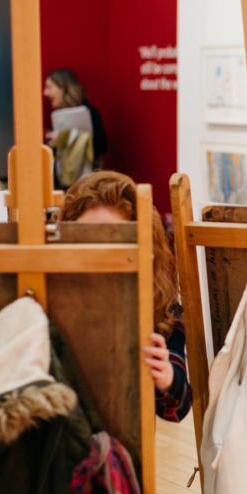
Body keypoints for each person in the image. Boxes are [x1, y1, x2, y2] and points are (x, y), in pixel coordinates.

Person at [60, 171, 192, 422]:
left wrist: (165, 377)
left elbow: (178, 407)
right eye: (87, 239)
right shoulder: (47, 291)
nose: (98, 254)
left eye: (113, 241)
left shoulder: (160, 305)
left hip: (120, 446)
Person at [43, 68, 107, 185]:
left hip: (86, 183)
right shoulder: (57, 115)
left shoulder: (90, 113)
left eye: (49, 87)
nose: (45, 93)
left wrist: (66, 137)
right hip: (62, 181)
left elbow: (101, 145)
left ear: (63, 88)